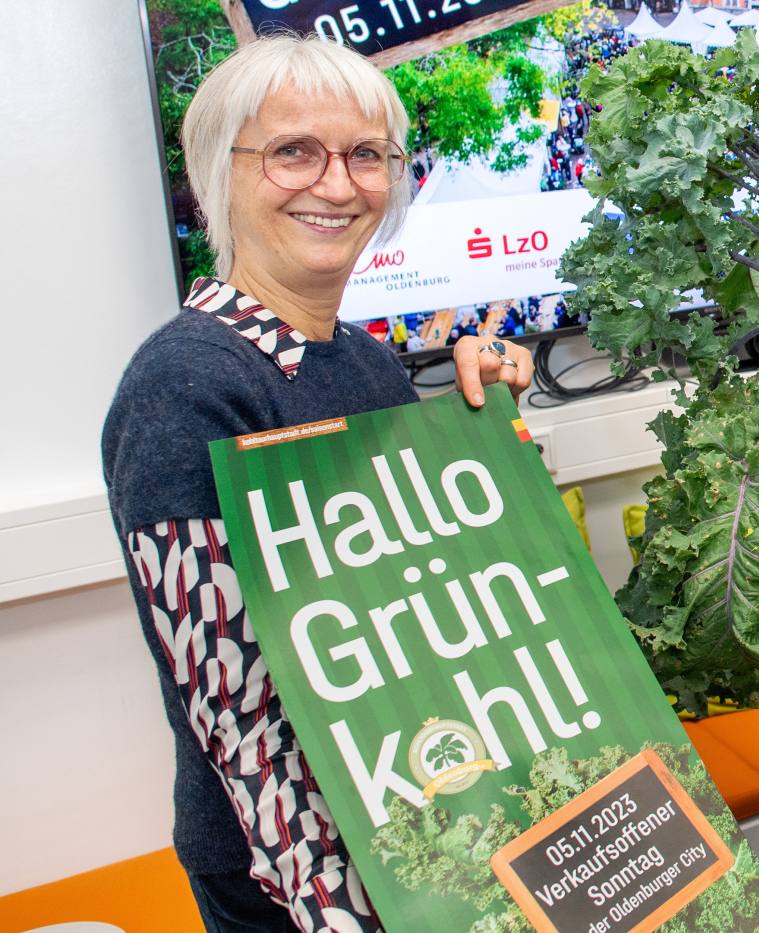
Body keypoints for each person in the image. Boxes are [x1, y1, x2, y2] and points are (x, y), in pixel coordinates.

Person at [101, 36, 533, 933]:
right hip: (292, 876)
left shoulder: (370, 364)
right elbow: (238, 710)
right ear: (221, 173)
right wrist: (342, 913)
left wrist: (489, 433)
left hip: (423, 817)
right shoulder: (187, 384)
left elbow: (432, 607)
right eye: (294, 151)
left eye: (367, 154)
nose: (338, 185)